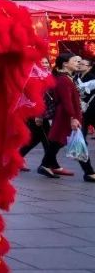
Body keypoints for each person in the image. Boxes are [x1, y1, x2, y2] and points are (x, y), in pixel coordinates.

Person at [41, 53, 95, 182]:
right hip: (66, 116)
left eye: (80, 61)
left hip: (67, 116)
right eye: (75, 61)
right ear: (65, 64)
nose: (78, 63)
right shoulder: (63, 80)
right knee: (79, 143)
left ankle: (45, 164)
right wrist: (73, 118)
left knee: (57, 142)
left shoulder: (68, 78)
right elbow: (66, 101)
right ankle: (89, 172)